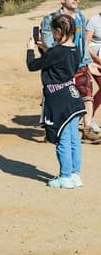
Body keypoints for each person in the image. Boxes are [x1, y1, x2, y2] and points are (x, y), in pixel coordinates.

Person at [27, 14, 86, 188]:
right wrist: (45, 49)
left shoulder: (56, 51)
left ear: (59, 31)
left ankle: (65, 176)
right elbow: (59, 61)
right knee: (73, 137)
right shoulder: (75, 49)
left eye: (53, 32)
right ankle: (74, 174)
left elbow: (33, 65)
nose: (52, 35)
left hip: (59, 100)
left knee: (62, 137)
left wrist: (30, 49)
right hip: (72, 96)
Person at [39, 0, 98, 143]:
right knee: (56, 98)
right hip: (59, 67)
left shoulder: (79, 16)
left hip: (78, 63)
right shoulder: (50, 19)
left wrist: (88, 61)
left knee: (87, 93)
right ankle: (52, 128)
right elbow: (48, 43)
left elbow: (82, 43)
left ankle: (87, 128)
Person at [84, 6, 101, 133]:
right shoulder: (94, 20)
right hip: (93, 60)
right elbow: (85, 44)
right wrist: (96, 60)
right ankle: (89, 118)